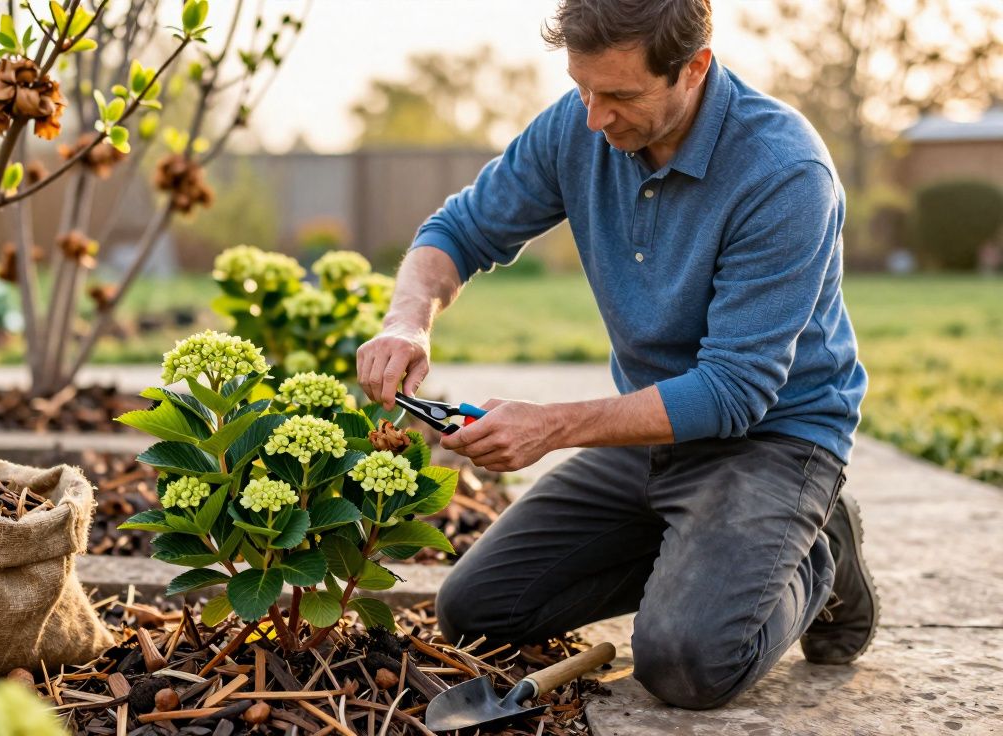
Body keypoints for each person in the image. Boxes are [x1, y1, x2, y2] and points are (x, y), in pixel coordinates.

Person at [356, 0, 878, 711]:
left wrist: (555, 426)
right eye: (582, 88)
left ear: (694, 68)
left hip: (773, 441)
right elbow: (459, 229)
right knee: (478, 612)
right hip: (650, 429)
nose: (595, 119)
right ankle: (711, 549)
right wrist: (407, 321)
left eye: (621, 96)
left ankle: (817, 547)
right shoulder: (579, 126)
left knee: (686, 664)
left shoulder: (783, 171)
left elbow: (733, 393)